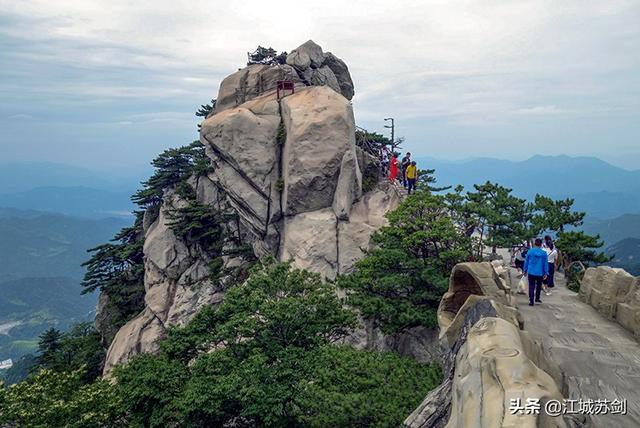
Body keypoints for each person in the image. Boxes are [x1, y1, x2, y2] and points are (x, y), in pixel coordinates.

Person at [523, 238, 549, 306]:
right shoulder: (543, 253)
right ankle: (537, 298)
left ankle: (531, 300)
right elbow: (545, 264)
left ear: (535, 244)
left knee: (531, 286)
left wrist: (525, 270)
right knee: (539, 286)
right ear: (541, 245)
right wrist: (546, 273)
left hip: (531, 271)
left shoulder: (530, 251)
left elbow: (526, 261)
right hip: (540, 272)